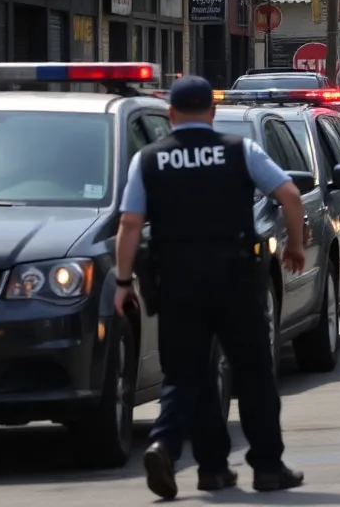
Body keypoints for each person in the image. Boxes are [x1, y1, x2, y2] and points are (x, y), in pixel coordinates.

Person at [113, 75, 306, 499]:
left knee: (186, 376)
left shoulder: (149, 159)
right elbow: (290, 194)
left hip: (178, 283)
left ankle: (180, 453)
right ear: (213, 113)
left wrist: (123, 282)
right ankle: (268, 468)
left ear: (170, 115)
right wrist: (295, 245)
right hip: (236, 280)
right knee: (254, 374)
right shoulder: (240, 150)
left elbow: (129, 224)